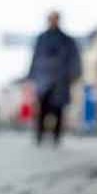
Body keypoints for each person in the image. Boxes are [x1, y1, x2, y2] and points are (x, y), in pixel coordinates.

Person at [27, 11, 81, 145]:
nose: (53, 21)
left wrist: (74, 74)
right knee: (42, 109)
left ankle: (56, 137)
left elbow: (74, 58)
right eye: (51, 19)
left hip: (60, 79)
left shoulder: (67, 40)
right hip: (43, 79)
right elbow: (35, 57)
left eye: (55, 19)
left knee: (58, 109)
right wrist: (31, 76)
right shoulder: (41, 38)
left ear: (58, 20)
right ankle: (39, 136)